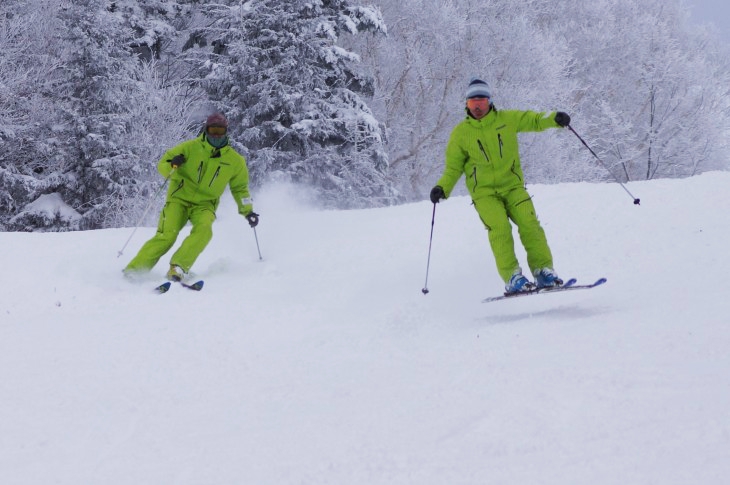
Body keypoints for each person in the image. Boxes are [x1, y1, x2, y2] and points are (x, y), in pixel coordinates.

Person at [429, 78, 571, 295]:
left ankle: (543, 271)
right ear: (466, 104)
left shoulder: (507, 120)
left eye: (482, 102)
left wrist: (554, 118)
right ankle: (513, 277)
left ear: (490, 102)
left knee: (529, 223)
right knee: (500, 230)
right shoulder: (461, 134)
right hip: (484, 194)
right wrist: (442, 188)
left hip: (513, 187)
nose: (477, 107)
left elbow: (533, 120)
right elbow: (453, 168)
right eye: (472, 103)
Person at [124, 112, 259, 281]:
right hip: (178, 199)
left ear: (226, 132)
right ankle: (135, 270)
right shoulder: (189, 148)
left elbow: (240, 188)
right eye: (212, 130)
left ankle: (178, 267)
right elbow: (163, 164)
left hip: (205, 204)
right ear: (206, 129)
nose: (216, 135)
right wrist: (173, 164)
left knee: (204, 230)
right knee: (167, 235)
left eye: (220, 130)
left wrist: (248, 211)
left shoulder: (234, 160)